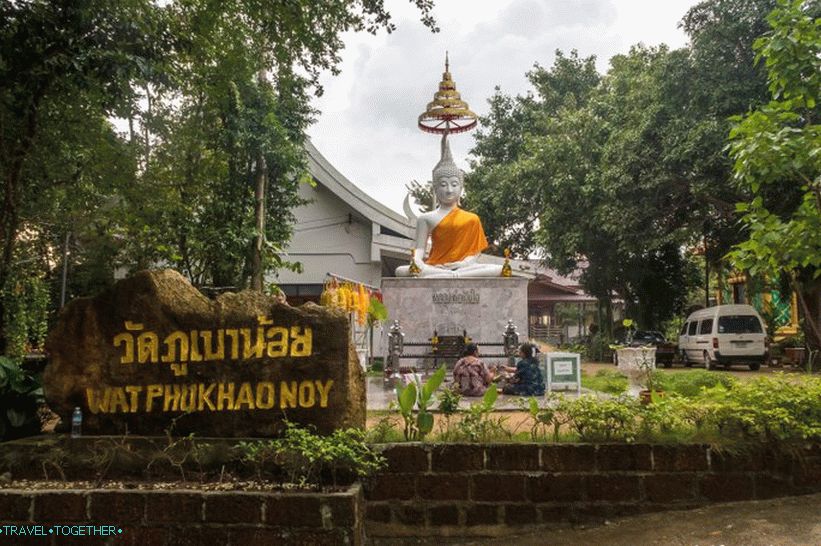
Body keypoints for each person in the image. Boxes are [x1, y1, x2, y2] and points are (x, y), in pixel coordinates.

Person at [395, 135, 503, 278]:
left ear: (461, 188)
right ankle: (446, 275)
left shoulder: (472, 219)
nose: (449, 190)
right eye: (443, 185)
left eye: (454, 184)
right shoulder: (426, 218)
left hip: (464, 268)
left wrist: (464, 264)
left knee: (500, 269)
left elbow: (475, 254)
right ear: (435, 188)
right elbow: (420, 249)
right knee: (401, 271)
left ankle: (454, 276)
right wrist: (417, 261)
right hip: (435, 266)